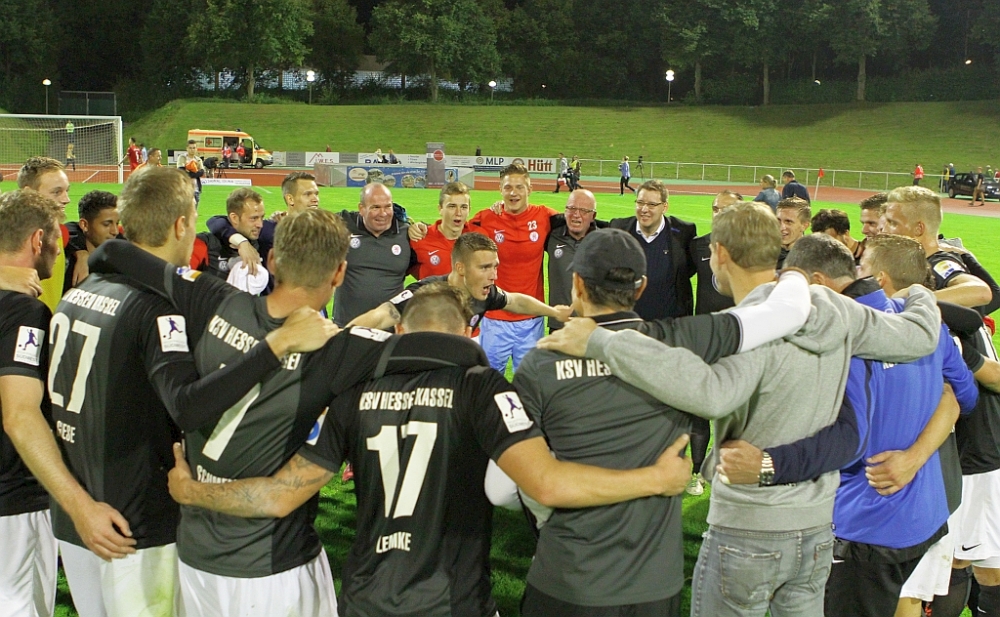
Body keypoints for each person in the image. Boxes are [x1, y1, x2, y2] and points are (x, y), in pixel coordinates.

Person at [166, 282, 693, 617]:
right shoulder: (482, 388)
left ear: (400, 329)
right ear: (468, 330)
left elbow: (282, 495)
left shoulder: (355, 395)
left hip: (368, 598)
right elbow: (548, 484)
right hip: (451, 600)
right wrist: (654, 479)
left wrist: (194, 492)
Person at [539, 201, 944, 617]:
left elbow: (711, 393)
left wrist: (603, 341)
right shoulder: (834, 308)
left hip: (750, 528)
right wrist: (918, 291)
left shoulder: (748, 326)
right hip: (817, 528)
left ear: (720, 254)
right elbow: (918, 338)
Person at [51, 167, 330, 617]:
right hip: (132, 523)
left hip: (78, 517)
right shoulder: (156, 309)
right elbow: (186, 405)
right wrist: (274, 347)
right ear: (182, 224)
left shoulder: (81, 290)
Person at [716, 233, 977, 617]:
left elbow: (845, 441)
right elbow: (962, 395)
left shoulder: (837, 340)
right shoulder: (923, 323)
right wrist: (916, 455)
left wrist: (766, 465)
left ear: (817, 283)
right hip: (925, 515)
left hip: (864, 524)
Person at [0, 190, 133, 617]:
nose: (64, 248)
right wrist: (79, 506)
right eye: (59, 238)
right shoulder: (23, 312)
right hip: (12, 505)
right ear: (37, 241)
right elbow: (19, 416)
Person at [350, 232, 571, 333]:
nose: (493, 275)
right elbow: (383, 314)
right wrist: (343, 335)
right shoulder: (426, 293)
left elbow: (515, 301)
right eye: (484, 267)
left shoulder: (484, 293)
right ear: (460, 268)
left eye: (495, 266)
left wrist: (553, 312)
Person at [468, 163, 558, 372]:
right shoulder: (486, 218)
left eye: (519, 187)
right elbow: (454, 231)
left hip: (532, 321)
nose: (513, 193)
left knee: (529, 382)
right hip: (494, 317)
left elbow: (576, 223)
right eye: (508, 187)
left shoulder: (544, 216)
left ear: (529, 189)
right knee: (488, 379)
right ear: (500, 190)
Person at [685, 189, 740, 495]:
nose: (719, 214)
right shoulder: (699, 246)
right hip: (704, 341)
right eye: (716, 209)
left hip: (740, 343)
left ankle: (728, 471)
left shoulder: (753, 251)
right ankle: (697, 472)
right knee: (698, 409)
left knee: (736, 415)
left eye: (727, 209)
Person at [882, 185, 992, 312]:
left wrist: (912, 301)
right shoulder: (914, 263)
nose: (884, 230)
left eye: (893, 223)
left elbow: (981, 291)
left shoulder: (939, 263)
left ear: (918, 229)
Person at [610, 179, 696, 321]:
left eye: (651, 204)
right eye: (640, 203)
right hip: (628, 324)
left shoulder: (683, 232)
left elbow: (689, 269)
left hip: (669, 326)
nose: (644, 209)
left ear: (665, 207)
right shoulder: (619, 228)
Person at [332, 183, 411, 326]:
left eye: (388, 206)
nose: (383, 213)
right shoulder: (343, 226)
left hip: (391, 329)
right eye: (376, 207)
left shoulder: (407, 234)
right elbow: (310, 226)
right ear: (361, 209)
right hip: (348, 327)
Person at [16, 157, 71, 312]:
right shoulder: (9, 235)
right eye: (56, 192)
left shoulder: (59, 233)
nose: (66, 199)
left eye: (67, 191)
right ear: (29, 193)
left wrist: (80, 251)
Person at [546, 189, 598, 332]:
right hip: (559, 324)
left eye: (584, 210)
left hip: (593, 327)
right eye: (572, 208)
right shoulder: (552, 236)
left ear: (593, 216)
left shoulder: (602, 241)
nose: (576, 214)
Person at [197, 187, 266, 284]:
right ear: (234, 218)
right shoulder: (208, 244)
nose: (260, 225)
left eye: (262, 217)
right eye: (253, 218)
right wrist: (242, 242)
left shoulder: (263, 239)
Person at [408, 182, 476, 279]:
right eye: (452, 206)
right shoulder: (420, 238)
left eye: (463, 207)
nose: (458, 213)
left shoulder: (478, 237)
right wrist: (408, 225)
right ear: (440, 209)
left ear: (469, 210)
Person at [64, 190, 120, 293]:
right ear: (84, 225)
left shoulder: (122, 252)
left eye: (117, 223)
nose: (115, 231)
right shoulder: (65, 264)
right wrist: (82, 254)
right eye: (106, 224)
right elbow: (68, 228)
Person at [775, 197, 811, 268]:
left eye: (788, 222)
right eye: (778, 221)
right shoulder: (764, 252)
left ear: (804, 226)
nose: (781, 228)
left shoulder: (811, 259)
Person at [176, 139, 205, 208]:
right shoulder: (182, 158)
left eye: (194, 148)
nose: (192, 150)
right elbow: (182, 171)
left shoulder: (198, 160)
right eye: (190, 148)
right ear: (187, 148)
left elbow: (201, 172)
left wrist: (190, 172)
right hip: (185, 189)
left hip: (196, 189)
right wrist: (195, 172)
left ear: (196, 149)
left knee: (194, 211)